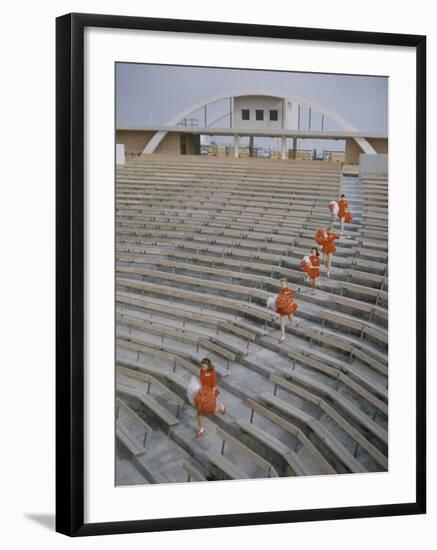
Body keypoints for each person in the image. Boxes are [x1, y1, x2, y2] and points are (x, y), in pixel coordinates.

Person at [193, 358, 226, 439]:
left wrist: (210, 396)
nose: (202, 368)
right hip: (203, 391)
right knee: (199, 411)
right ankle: (201, 429)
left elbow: (214, 386)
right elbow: (201, 381)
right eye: (202, 366)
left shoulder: (212, 373)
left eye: (204, 367)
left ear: (208, 366)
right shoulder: (202, 371)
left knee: (212, 411)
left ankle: (221, 406)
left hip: (210, 392)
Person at [275, 278, 299, 343]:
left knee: (291, 319)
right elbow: (280, 297)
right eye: (281, 284)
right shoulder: (282, 290)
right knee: (282, 322)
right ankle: (282, 336)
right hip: (282, 308)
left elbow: (289, 299)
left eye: (283, 284)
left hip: (288, 307)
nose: (282, 285)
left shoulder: (287, 291)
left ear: (286, 284)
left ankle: (296, 320)